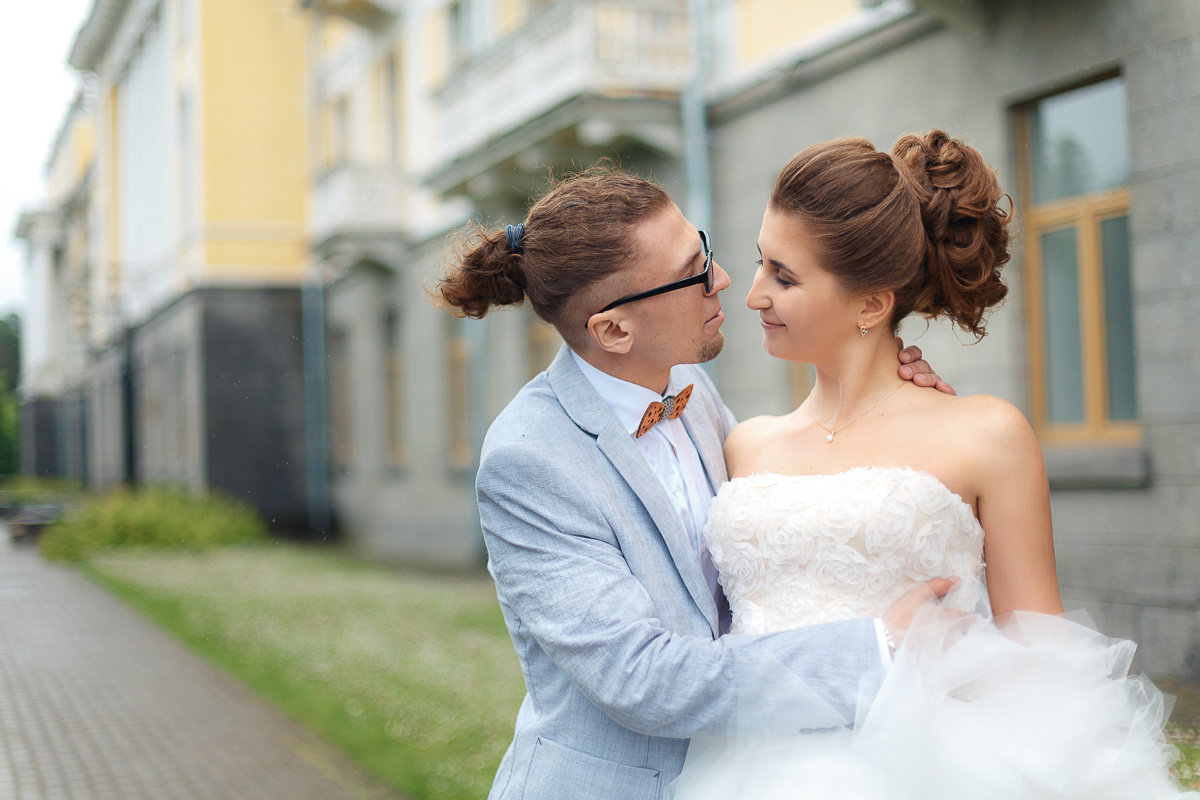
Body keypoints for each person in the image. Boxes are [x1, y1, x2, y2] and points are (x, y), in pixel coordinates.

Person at [667, 130, 1198, 799]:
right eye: (759, 263)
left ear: (870, 303)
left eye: (784, 276)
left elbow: (1041, 649)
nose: (752, 296)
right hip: (735, 768)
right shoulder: (740, 444)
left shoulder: (987, 435)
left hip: (932, 770)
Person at [435, 167, 955, 800]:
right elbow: (643, 679)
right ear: (614, 331)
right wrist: (880, 652)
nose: (725, 280)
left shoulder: (692, 390)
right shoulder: (530, 460)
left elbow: (779, 525)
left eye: (704, 248)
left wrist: (897, 404)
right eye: (694, 271)